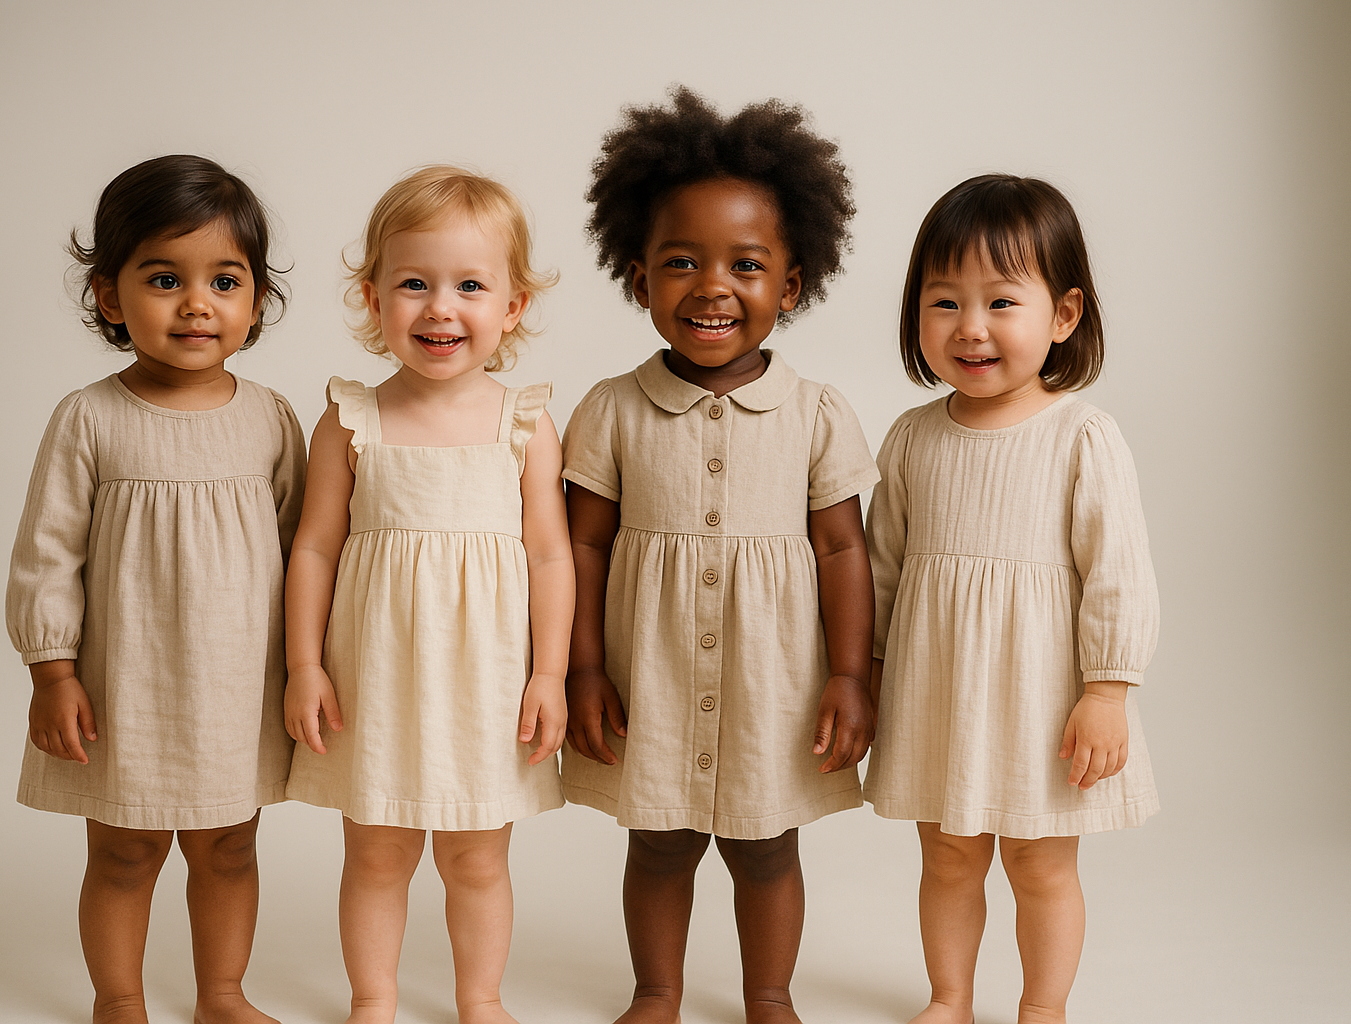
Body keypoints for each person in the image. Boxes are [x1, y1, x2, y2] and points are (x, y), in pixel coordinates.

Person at [562, 88, 878, 1024]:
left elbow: (843, 549)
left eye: (746, 264)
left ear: (791, 285)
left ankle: (768, 995)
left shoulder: (817, 413)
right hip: (650, 677)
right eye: (681, 262)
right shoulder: (611, 409)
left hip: (773, 682)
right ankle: (656, 990)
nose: (712, 287)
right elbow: (580, 544)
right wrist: (583, 668)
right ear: (638, 278)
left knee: (767, 847)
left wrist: (850, 675)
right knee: (658, 842)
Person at [6, 154, 304, 1024]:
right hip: (125, 689)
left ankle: (222, 995)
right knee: (125, 853)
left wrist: (308, 666)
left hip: (238, 689)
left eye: (225, 281)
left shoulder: (271, 418)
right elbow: (46, 555)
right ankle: (120, 998)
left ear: (256, 300)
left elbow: (303, 552)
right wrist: (52, 672)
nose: (197, 304)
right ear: (110, 296)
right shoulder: (89, 418)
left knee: (230, 848)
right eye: (165, 279)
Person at [865, 173, 1161, 1024]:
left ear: (1063, 315)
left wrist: (1108, 690)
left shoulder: (1081, 436)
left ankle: (1043, 1007)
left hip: (1042, 700)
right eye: (945, 302)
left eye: (1001, 302)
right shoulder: (913, 437)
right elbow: (882, 567)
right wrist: (869, 671)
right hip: (939, 693)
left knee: (1040, 864)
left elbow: (1118, 572)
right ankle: (950, 996)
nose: (971, 327)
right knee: (947, 856)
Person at [282, 166, 572, 1024]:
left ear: (513, 306)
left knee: (476, 860)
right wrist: (304, 665)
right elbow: (314, 547)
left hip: (487, 684)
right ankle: (372, 998)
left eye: (469, 286)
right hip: (375, 680)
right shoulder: (350, 420)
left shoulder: (524, 423)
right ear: (374, 299)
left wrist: (549, 674)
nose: (440, 308)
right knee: (376, 855)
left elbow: (550, 555)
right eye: (414, 284)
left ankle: (480, 998)